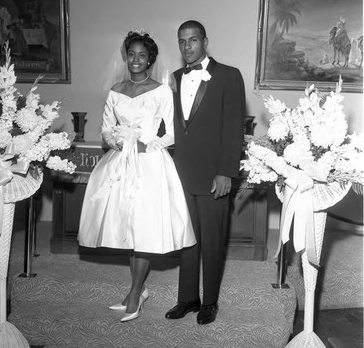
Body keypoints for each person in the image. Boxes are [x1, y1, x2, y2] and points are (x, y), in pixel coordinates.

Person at [78, 29, 196, 322]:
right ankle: (138, 289)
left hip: (149, 164)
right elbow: (106, 128)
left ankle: (134, 293)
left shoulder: (161, 91)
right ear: (126, 56)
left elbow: (172, 133)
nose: (136, 60)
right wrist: (115, 141)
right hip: (120, 163)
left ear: (150, 60)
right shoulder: (115, 90)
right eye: (131, 54)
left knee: (143, 229)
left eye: (142, 55)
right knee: (128, 230)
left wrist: (147, 144)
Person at [165, 20, 246, 325]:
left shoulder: (228, 75)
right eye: (182, 41)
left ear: (205, 41)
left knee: (212, 240)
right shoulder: (173, 79)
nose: (187, 47)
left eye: (193, 40)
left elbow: (233, 129)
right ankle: (187, 298)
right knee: (187, 239)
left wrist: (226, 172)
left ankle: (209, 302)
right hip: (180, 174)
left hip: (214, 175)